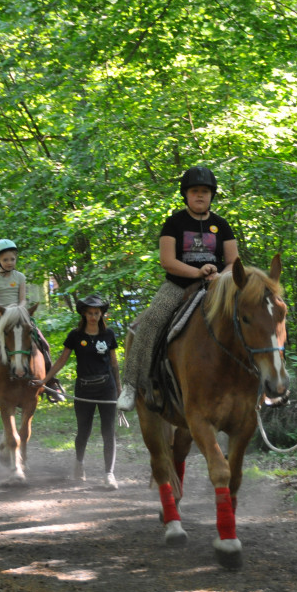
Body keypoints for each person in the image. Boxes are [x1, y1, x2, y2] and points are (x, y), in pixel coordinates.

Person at [117, 166, 239, 411]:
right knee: (151, 321)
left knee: (250, 316)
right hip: (178, 286)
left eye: (205, 191)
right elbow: (167, 261)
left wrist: (220, 277)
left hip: (216, 288)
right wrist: (197, 272)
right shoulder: (174, 223)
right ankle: (131, 385)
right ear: (186, 195)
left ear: (212, 195)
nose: (200, 196)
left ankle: (260, 382)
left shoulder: (221, 225)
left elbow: (234, 262)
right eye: (195, 191)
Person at [0, 239, 65, 403]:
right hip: (1, 314)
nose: (9, 263)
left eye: (12, 259)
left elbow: (22, 300)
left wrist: (18, 311)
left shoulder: (20, 277)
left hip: (20, 314)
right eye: (5, 260)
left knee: (43, 342)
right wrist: (5, 312)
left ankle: (52, 382)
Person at [37, 295, 122, 489]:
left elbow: (114, 363)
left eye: (97, 313)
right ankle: (79, 464)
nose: (93, 317)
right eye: (90, 313)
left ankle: (109, 474)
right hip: (84, 389)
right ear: (84, 314)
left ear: (102, 314)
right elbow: (61, 360)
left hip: (106, 388)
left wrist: (119, 388)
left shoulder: (108, 334)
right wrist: (44, 380)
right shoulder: (75, 336)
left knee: (108, 432)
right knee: (84, 430)